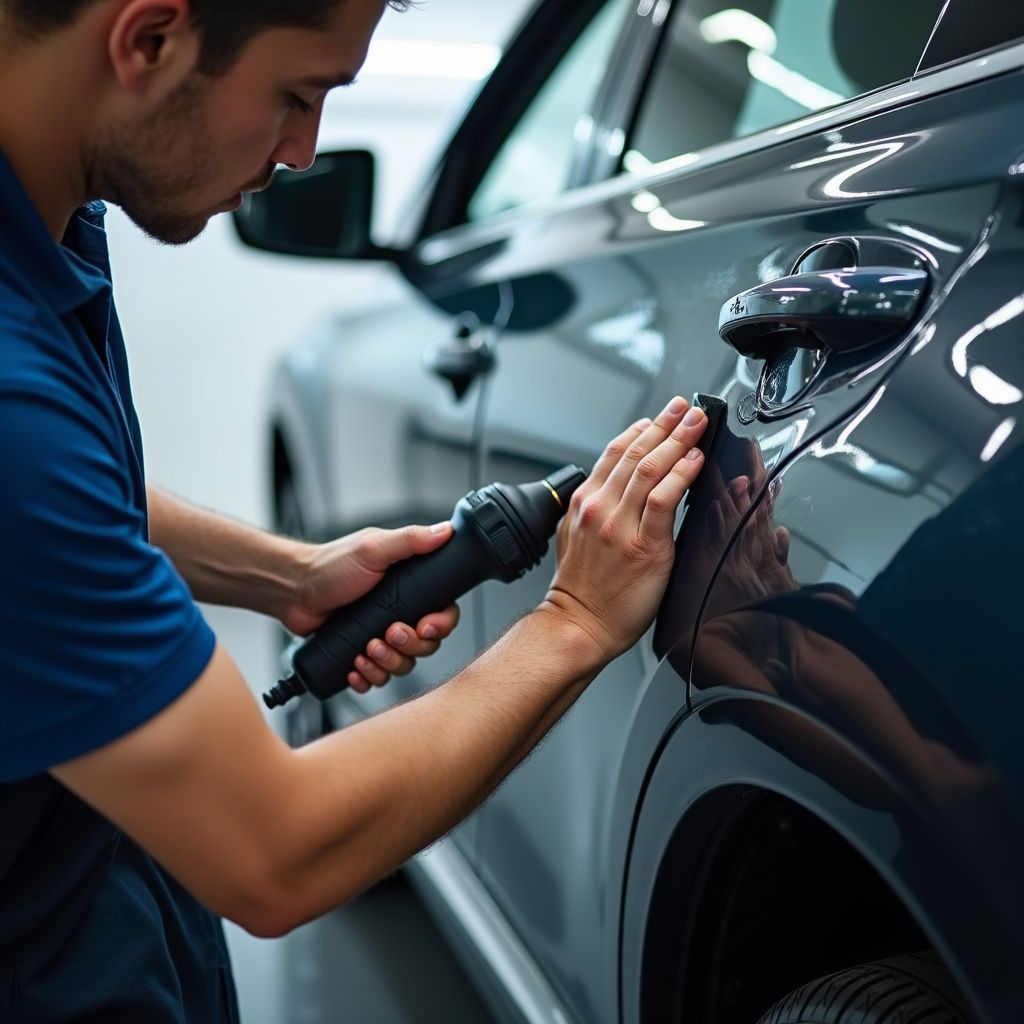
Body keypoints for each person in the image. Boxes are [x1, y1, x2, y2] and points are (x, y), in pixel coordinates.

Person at [0, 1, 709, 1020]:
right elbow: (271, 854)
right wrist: (573, 625)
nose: (303, 151)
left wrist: (285, 574)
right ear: (148, 38)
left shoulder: (52, 217)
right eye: (299, 95)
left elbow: (68, 491)